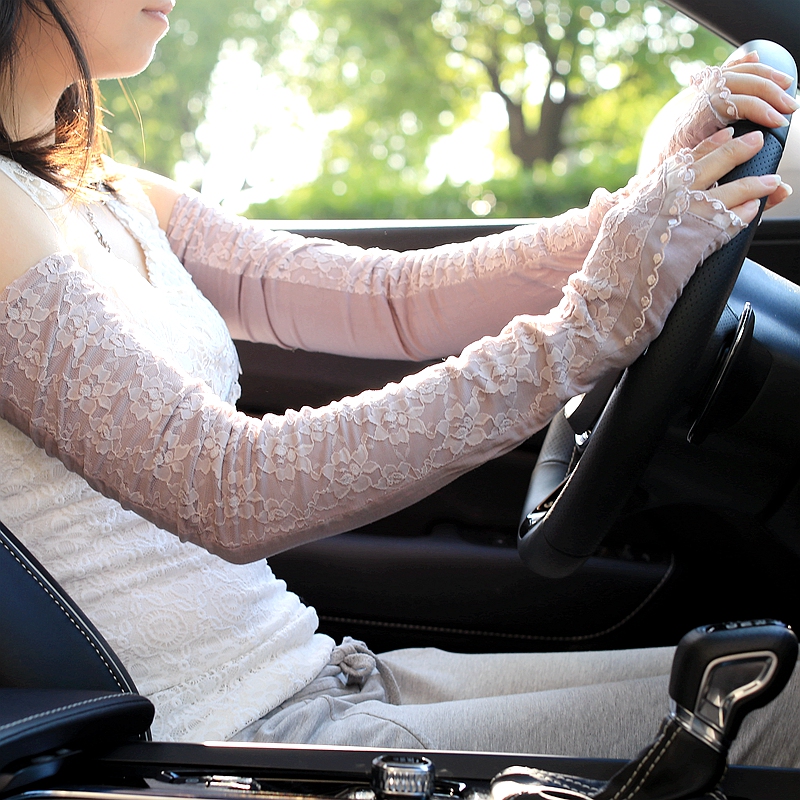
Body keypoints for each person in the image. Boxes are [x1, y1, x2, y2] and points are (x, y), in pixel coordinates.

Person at [0, 0, 798, 766]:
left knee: (785, 687)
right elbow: (224, 485)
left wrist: (645, 200)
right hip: (232, 742)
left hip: (329, 682)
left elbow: (396, 300)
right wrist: (580, 335)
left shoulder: (114, 192)